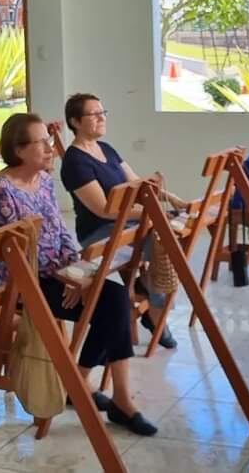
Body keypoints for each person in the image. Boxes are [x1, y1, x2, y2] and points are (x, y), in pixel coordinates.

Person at [0, 113, 158, 436]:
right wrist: (70, 278)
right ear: (19, 150)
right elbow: (20, 255)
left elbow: (61, 231)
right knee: (112, 305)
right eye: (42, 142)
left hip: (61, 272)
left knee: (115, 298)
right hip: (28, 284)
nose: (51, 147)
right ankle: (82, 385)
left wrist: (78, 272)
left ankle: (100, 389)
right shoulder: (1, 190)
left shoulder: (44, 180)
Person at [59, 93, 187, 349]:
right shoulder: (74, 162)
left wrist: (171, 199)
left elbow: (138, 185)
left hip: (126, 226)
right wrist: (151, 213)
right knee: (166, 242)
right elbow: (104, 210)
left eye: (103, 112)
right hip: (100, 232)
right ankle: (155, 306)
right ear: (75, 121)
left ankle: (148, 289)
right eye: (93, 114)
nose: (101, 117)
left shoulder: (106, 149)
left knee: (175, 238)